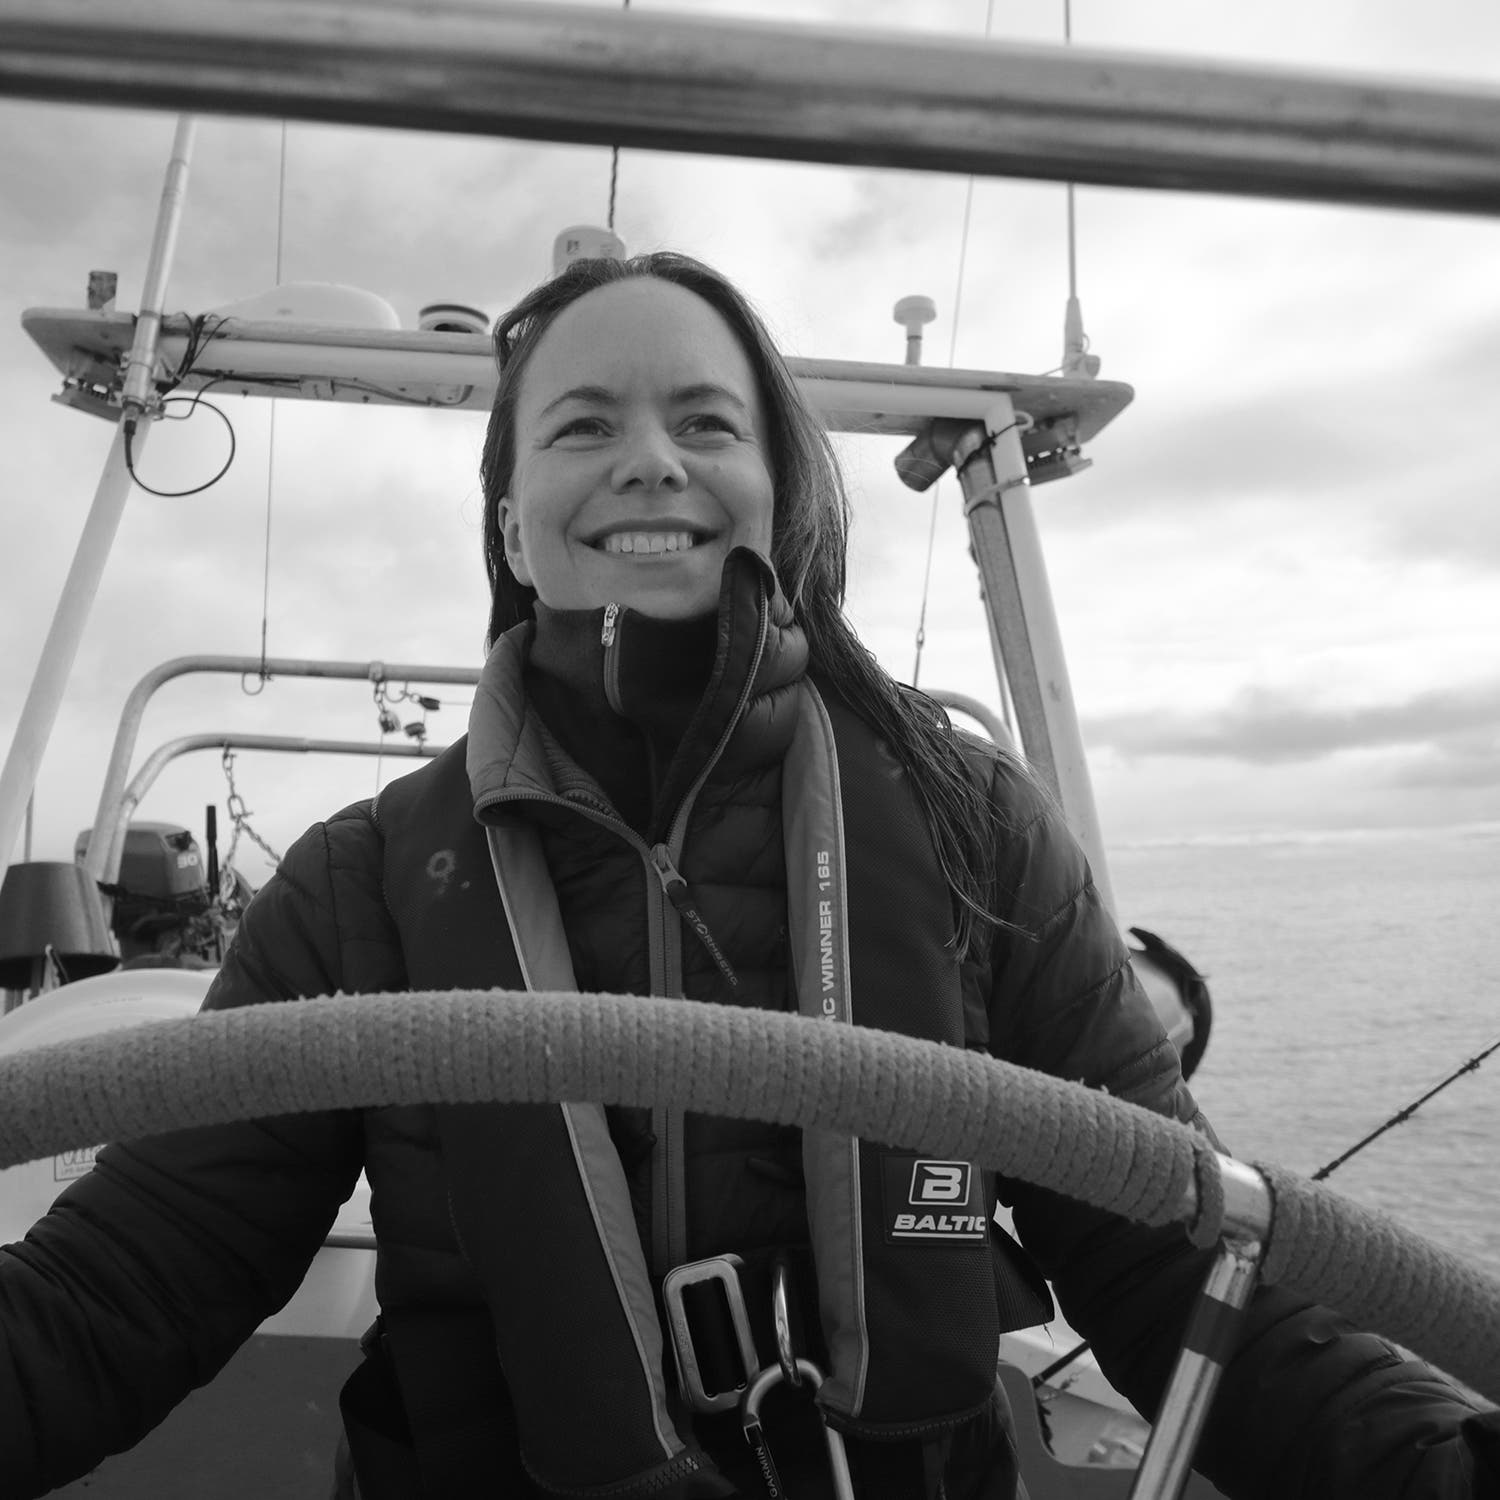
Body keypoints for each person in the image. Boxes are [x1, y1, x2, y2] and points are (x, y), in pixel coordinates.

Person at [1, 251, 1497, 1500]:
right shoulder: (361, 889)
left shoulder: (975, 826)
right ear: (511, 523)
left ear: (781, 493)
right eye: (582, 426)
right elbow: (122, 1294)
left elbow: (1172, 1267)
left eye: (706, 423)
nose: (651, 456)